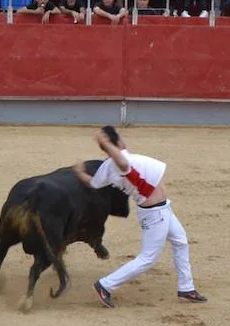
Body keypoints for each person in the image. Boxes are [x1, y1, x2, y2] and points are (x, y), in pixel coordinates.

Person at [80, 126, 206, 308]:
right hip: (155, 213)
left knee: (180, 241)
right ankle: (105, 285)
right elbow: (122, 163)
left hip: (163, 209)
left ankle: (186, 288)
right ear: (117, 144)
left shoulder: (109, 166)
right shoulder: (120, 163)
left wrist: (79, 172)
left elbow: (93, 183)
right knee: (148, 258)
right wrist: (106, 143)